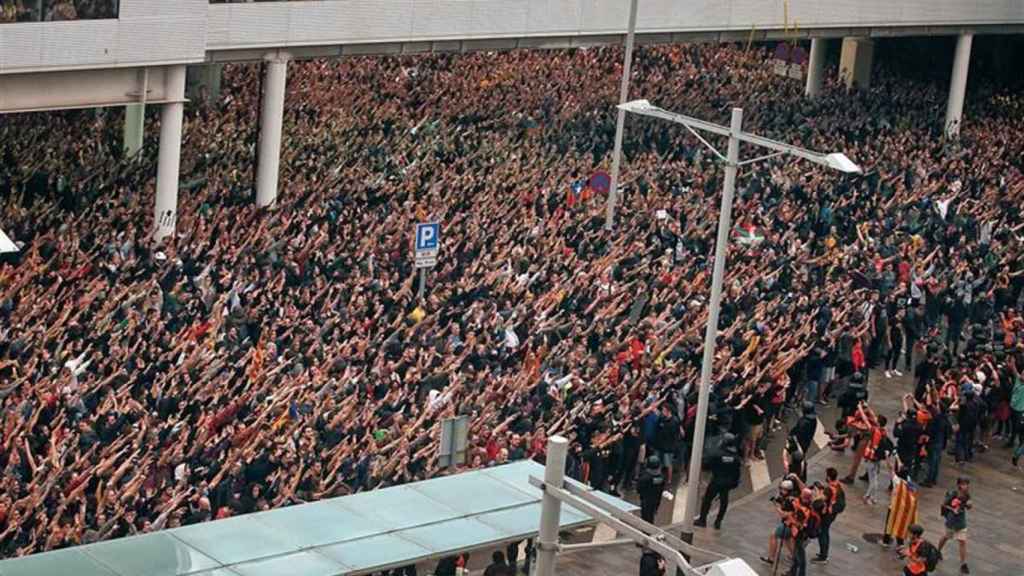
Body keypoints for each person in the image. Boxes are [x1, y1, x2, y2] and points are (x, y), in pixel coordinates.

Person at [694, 433, 742, 529]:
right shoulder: (735, 457)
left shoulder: (718, 454)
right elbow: (737, 473)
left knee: (707, 500)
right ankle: (718, 522)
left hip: (716, 481)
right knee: (724, 502)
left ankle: (702, 520)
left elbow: (707, 465)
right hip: (727, 483)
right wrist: (734, 484)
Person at [937, 477, 972, 575]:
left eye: (967, 484)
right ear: (959, 485)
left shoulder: (967, 495)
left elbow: (968, 506)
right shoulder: (953, 494)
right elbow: (943, 504)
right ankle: (938, 551)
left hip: (961, 522)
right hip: (952, 521)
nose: (966, 486)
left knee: (962, 541)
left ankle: (963, 564)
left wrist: (969, 505)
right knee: (946, 537)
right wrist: (953, 510)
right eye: (964, 484)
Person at [812, 467, 845, 564]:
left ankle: (823, 556)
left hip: (826, 515)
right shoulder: (838, 485)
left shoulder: (829, 489)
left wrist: (817, 491)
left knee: (823, 533)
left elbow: (819, 499)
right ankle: (823, 553)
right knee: (825, 532)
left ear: (829, 477)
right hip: (833, 513)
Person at [636, 455, 666, 524]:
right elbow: (662, 488)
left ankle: (646, 532)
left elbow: (638, 489)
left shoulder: (645, 478)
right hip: (656, 500)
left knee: (645, 517)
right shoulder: (661, 477)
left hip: (646, 500)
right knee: (651, 516)